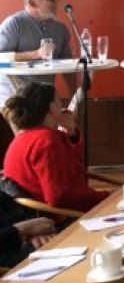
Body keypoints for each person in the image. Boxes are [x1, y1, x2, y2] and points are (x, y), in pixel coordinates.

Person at [1, 82, 108, 212]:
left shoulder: (23, 137)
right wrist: (106, 197)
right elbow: (58, 196)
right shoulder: (46, 140)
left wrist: (71, 132)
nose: (62, 104)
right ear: (51, 107)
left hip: (35, 211)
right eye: (58, 99)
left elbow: (75, 172)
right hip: (58, 215)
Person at [0, 0, 76, 108]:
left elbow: (68, 66)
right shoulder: (14, 24)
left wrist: (74, 97)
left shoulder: (60, 29)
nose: (57, 2)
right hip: (14, 102)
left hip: (46, 102)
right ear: (32, 3)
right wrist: (36, 54)